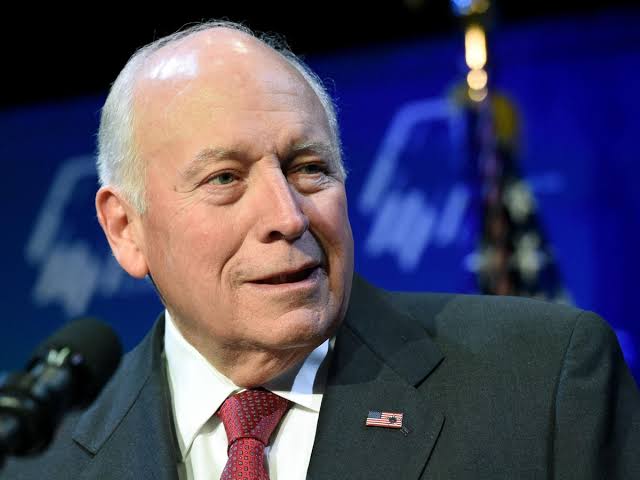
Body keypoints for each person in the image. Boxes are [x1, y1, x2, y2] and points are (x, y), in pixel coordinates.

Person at [3, 20, 639, 480]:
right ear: (125, 229)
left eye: (309, 169)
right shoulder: (37, 463)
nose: (287, 217)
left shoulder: (543, 384)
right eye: (224, 179)